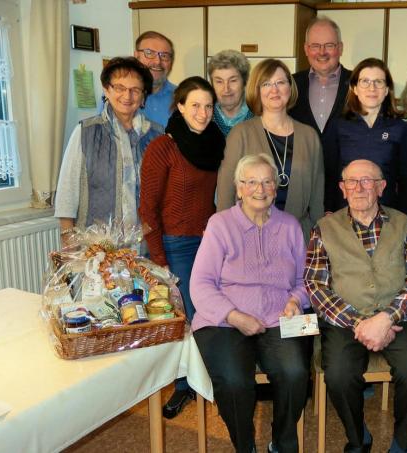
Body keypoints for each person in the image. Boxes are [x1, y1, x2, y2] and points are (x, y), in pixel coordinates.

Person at [305, 159, 407, 453]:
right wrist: (358, 324)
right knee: (337, 373)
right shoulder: (324, 228)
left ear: (382, 187)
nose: (360, 188)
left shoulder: (404, 223)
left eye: (368, 181)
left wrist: (386, 318)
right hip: (345, 322)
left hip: (397, 319)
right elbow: (315, 285)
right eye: (352, 182)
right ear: (342, 189)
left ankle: (401, 444)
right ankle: (358, 437)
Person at [191, 153, 310, 453]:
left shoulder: (290, 226)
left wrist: (296, 301)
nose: (260, 189)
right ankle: (245, 446)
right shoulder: (220, 225)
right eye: (252, 182)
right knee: (233, 382)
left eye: (268, 182)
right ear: (239, 188)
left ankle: (282, 442)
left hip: (278, 319)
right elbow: (200, 285)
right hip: (225, 321)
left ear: (276, 188)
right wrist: (234, 315)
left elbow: (305, 281)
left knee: (296, 373)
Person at [138, 76, 225, 419]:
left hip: (208, 242)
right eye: (195, 106)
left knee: (206, 315)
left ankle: (203, 378)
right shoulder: (164, 147)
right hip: (175, 246)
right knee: (186, 318)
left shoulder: (216, 143)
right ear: (180, 107)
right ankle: (183, 386)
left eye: (208, 106)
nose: (203, 113)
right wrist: (159, 259)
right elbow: (147, 209)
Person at [55, 57, 164, 245]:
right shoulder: (85, 132)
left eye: (135, 90)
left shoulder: (157, 135)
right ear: (107, 89)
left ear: (143, 95)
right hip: (96, 251)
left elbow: (163, 193)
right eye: (119, 88)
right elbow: (67, 195)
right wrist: (69, 245)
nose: (127, 96)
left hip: (144, 246)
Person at [216, 58, 324, 242]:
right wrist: (225, 237)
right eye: (266, 84)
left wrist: (319, 239)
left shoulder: (309, 136)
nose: (274, 90)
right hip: (248, 236)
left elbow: (317, 197)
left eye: (280, 82)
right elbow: (226, 193)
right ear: (257, 90)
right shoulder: (241, 133)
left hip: (297, 237)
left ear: (290, 88)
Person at [323, 58, 407, 214]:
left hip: (387, 215)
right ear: (355, 88)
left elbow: (406, 181)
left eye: (378, 82)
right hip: (344, 214)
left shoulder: (401, 128)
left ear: (386, 90)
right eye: (365, 81)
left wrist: (404, 217)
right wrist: (328, 209)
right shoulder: (338, 126)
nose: (372, 88)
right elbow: (328, 174)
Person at [289, 15, 351, 197]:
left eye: (329, 45)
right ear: (306, 49)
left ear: (340, 48)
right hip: (300, 187)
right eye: (315, 46)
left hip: (346, 189)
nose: (322, 52)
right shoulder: (289, 85)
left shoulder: (359, 84)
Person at [134, 31, 177, 127]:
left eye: (164, 55)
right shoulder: (119, 95)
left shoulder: (182, 97)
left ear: (171, 62)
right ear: (136, 56)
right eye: (149, 53)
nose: (157, 61)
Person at [207, 49, 254, 136]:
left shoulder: (260, 116)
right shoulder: (204, 117)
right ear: (212, 84)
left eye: (233, 80)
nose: (226, 89)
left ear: (245, 81)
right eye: (219, 81)